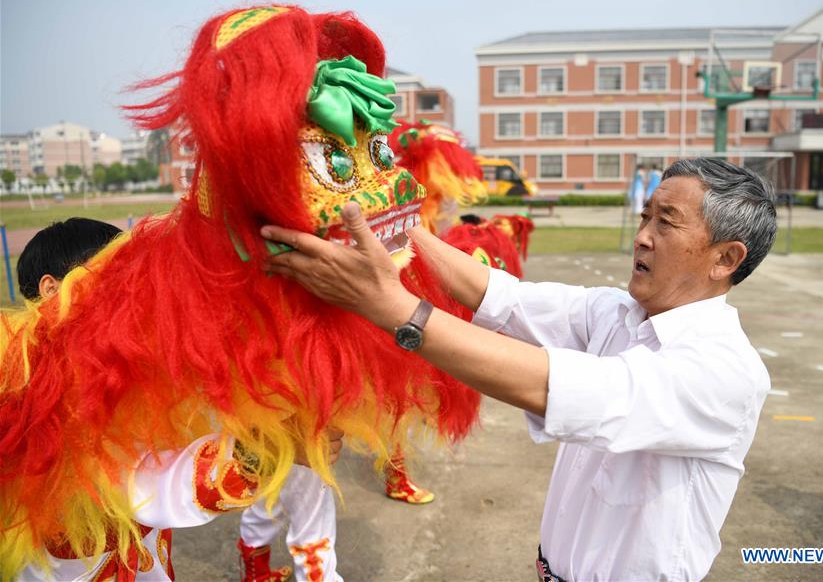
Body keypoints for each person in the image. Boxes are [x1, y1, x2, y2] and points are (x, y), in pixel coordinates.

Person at [262, 157, 777, 580]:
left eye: (666, 222)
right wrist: (390, 220)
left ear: (725, 259)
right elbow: (499, 296)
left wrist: (392, 307)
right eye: (645, 217)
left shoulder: (723, 371)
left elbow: (551, 384)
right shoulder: (618, 312)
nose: (643, 236)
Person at [12, 218, 345, 582]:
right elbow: (145, 482)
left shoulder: (107, 368)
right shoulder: (46, 394)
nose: (130, 295)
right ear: (51, 288)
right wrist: (266, 453)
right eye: (112, 278)